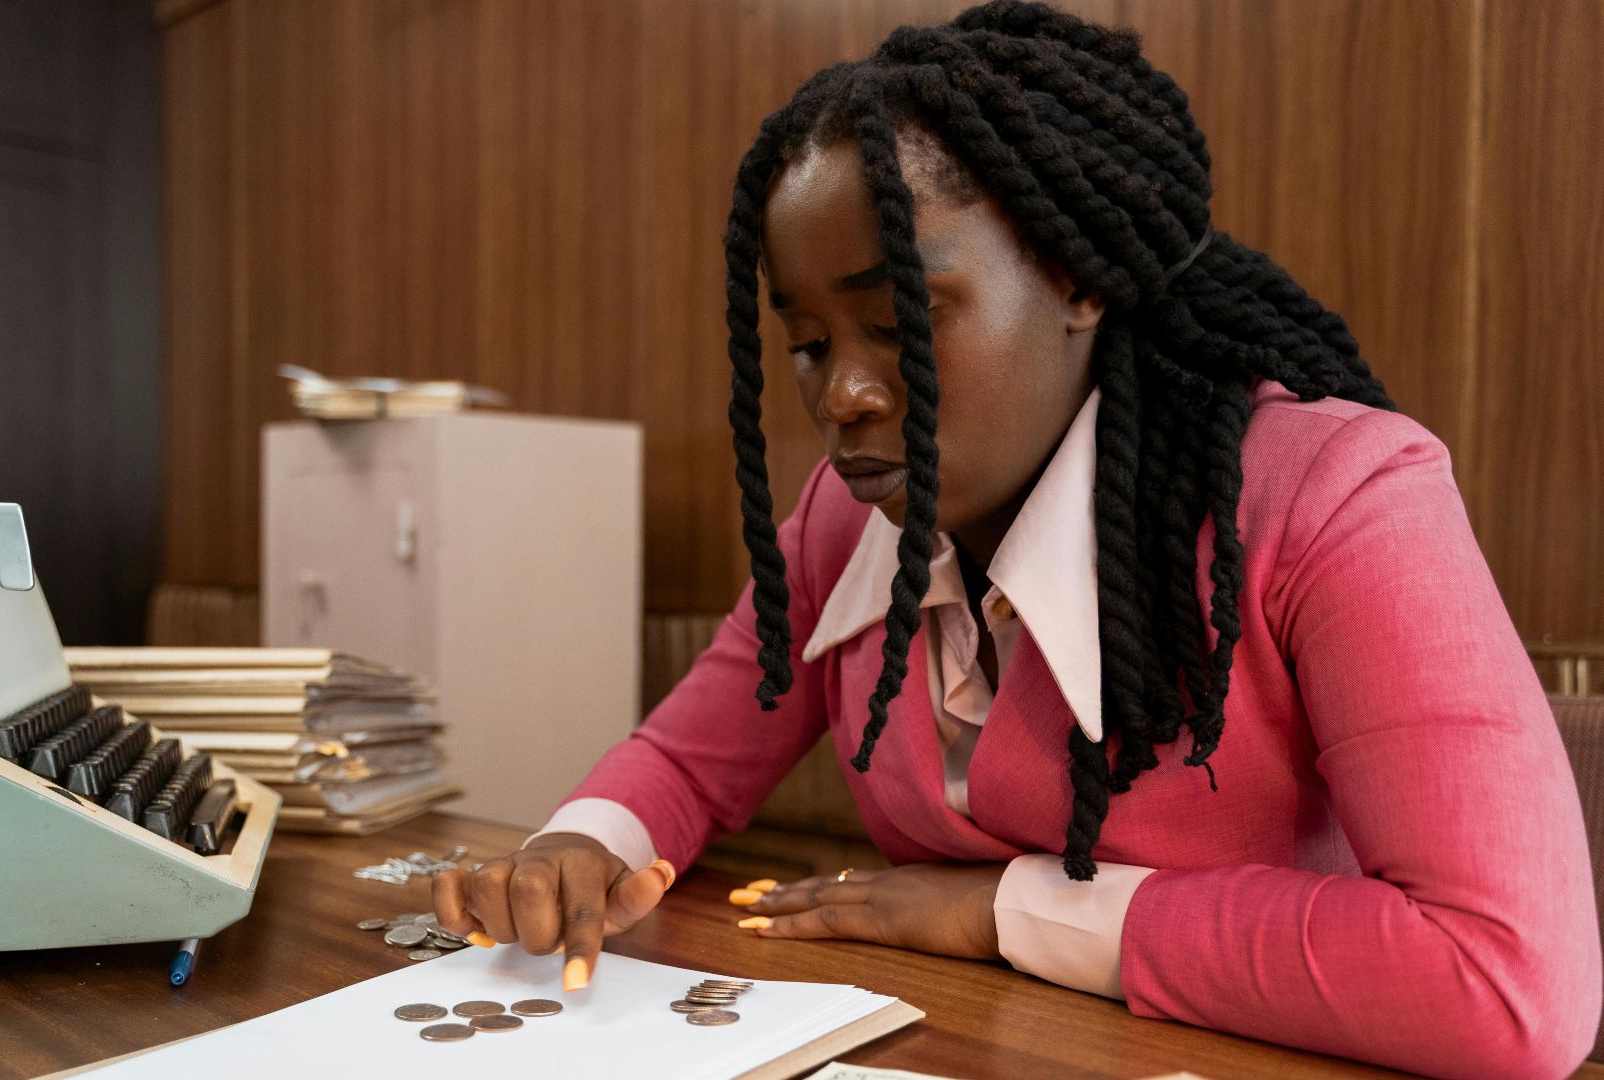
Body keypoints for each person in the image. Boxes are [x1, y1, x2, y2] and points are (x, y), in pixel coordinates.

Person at [431, 4, 1600, 1076]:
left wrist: (1009, 911)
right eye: (804, 343)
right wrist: (581, 843)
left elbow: (1511, 987)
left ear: (1076, 278)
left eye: (897, 323)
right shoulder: (851, 519)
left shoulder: (1340, 495)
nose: (841, 394)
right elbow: (688, 761)